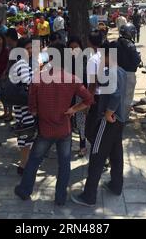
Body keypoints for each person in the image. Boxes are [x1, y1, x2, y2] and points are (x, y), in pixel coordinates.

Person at [14, 43, 93, 205]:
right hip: (64, 128)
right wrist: (73, 109)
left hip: (45, 129)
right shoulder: (72, 79)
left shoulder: (38, 78)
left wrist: (40, 111)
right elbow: (89, 99)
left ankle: (24, 190)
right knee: (64, 164)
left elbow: (32, 108)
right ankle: (60, 197)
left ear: (50, 58)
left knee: (34, 160)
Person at [71, 41, 128, 207]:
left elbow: (116, 96)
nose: (101, 58)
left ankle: (89, 195)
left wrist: (109, 113)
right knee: (116, 155)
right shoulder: (121, 71)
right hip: (120, 120)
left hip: (109, 121)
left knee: (96, 155)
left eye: (103, 55)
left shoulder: (111, 71)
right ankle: (116, 185)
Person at [9, 38, 37, 175]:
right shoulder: (22, 65)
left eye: (31, 48)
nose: (30, 51)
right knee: (27, 134)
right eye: (27, 48)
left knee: (23, 133)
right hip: (26, 106)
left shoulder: (19, 64)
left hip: (20, 105)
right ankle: (24, 164)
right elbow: (28, 83)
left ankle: (24, 163)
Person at [67, 36, 88, 157]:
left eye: (76, 47)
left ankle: (83, 145)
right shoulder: (66, 61)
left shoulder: (85, 59)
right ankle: (67, 143)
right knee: (68, 118)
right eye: (71, 48)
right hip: (68, 94)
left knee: (81, 121)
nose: (74, 50)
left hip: (80, 94)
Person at [117, 24, 141, 118]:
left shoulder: (117, 42)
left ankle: (118, 114)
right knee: (127, 97)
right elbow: (136, 60)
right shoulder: (130, 44)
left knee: (118, 95)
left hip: (117, 72)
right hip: (128, 73)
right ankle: (123, 117)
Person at [84, 31, 104, 145]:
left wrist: (88, 103)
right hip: (107, 96)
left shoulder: (93, 60)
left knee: (91, 131)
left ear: (89, 42)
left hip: (96, 98)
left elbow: (92, 84)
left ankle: (100, 155)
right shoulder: (107, 56)